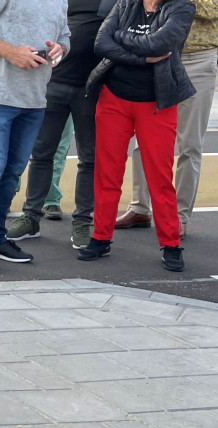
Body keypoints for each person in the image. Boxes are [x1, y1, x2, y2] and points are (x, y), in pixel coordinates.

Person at [81, 0, 195, 271]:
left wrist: (122, 37)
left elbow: (161, 44)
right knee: (107, 173)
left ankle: (170, 244)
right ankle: (100, 237)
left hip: (157, 102)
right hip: (113, 99)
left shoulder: (182, 7)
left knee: (159, 176)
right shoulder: (125, 3)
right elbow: (101, 43)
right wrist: (141, 56)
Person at [0, 0, 69, 273]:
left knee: (12, 173)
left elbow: (64, 34)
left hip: (34, 98)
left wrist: (61, 48)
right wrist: (11, 52)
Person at [9, 0, 115, 249]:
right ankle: (31, 217)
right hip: (54, 82)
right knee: (42, 154)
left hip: (93, 87)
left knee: (90, 158)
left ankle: (82, 222)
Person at [116, 0, 217, 240]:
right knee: (145, 137)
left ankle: (179, 215)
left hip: (198, 59)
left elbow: (212, 11)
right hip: (158, 56)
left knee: (189, 144)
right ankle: (140, 207)